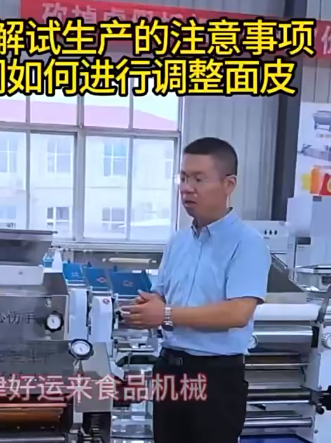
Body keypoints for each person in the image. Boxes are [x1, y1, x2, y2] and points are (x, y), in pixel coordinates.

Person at [123, 137, 271, 443]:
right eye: (183, 178)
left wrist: (164, 314)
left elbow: (237, 313)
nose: (187, 188)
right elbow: (161, 294)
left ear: (229, 184)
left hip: (214, 377)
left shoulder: (248, 244)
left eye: (199, 179)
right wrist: (148, 306)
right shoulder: (178, 242)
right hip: (170, 370)